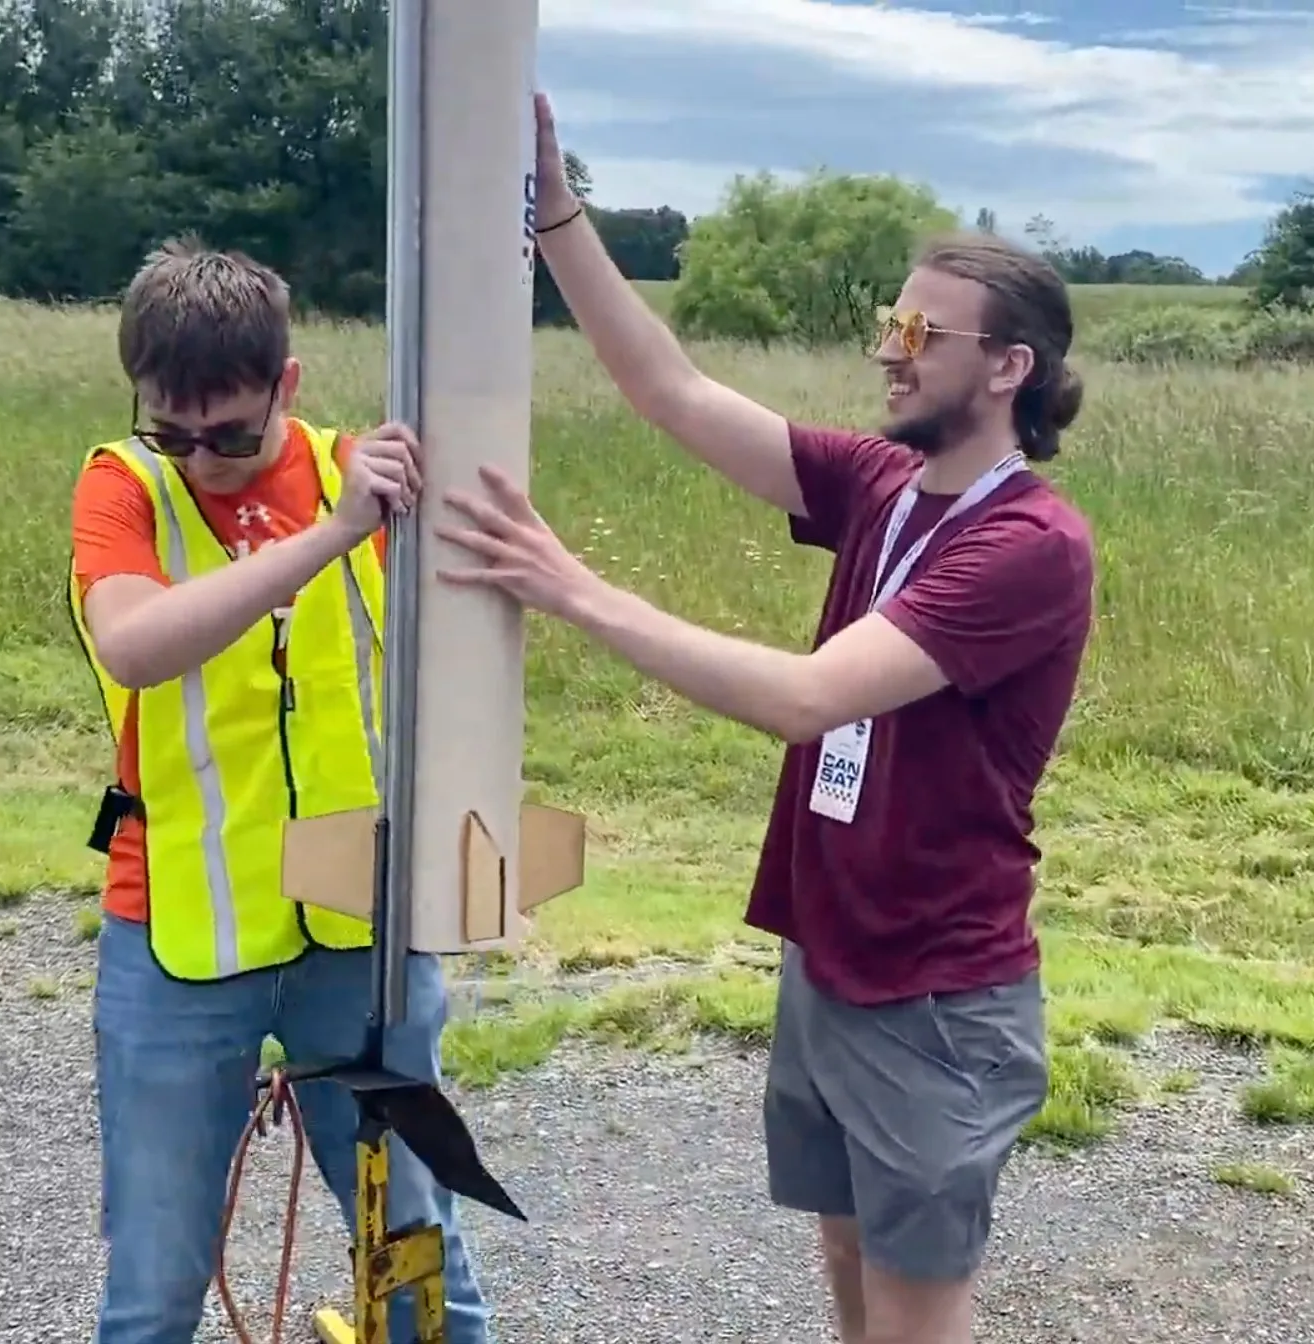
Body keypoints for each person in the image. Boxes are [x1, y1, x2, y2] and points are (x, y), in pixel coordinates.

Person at [439, 95, 1097, 1344]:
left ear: (1009, 368)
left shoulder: (1031, 545)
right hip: (834, 953)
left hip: (936, 990)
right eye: (888, 321)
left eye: (918, 328)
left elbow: (806, 701)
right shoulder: (884, 482)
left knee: (909, 1315)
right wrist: (558, 209)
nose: (888, 349)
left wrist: (574, 591)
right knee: (848, 1261)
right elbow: (670, 390)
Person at [66, 236, 495, 1344]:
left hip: (355, 930)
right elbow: (137, 644)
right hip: (179, 932)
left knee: (416, 1249)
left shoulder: (361, 466)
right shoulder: (123, 485)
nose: (202, 454)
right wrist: (336, 530)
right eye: (174, 428)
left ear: (287, 384)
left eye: (231, 429)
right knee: (155, 1283)